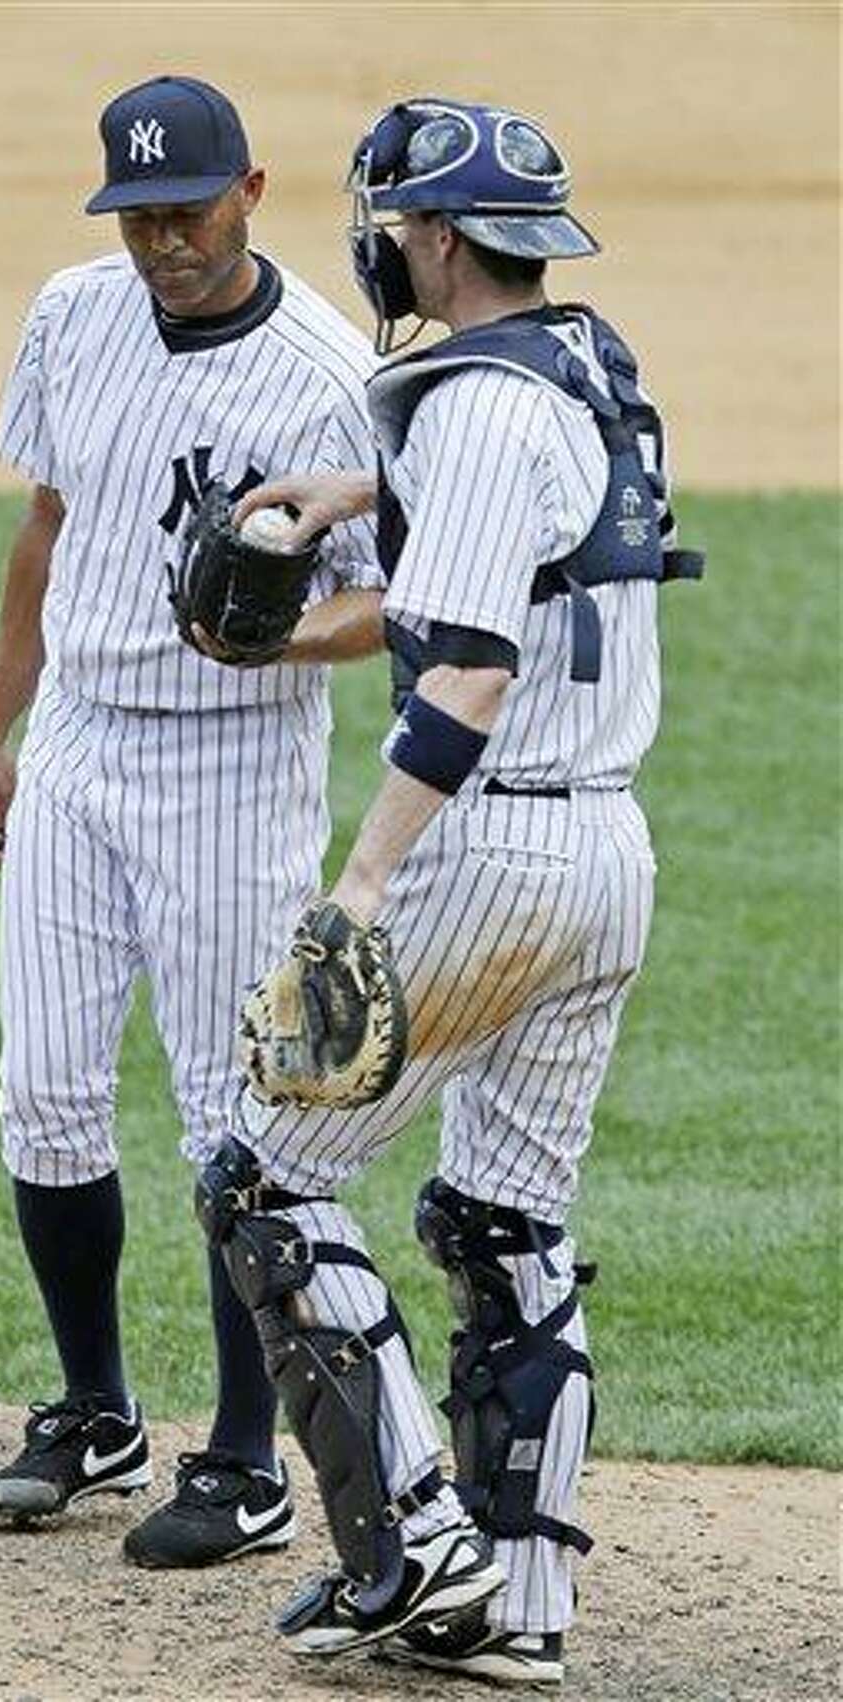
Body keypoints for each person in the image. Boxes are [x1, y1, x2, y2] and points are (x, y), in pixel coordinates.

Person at [199, 97, 703, 1676]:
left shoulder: (476, 415)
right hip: (608, 853)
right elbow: (531, 543)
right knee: (505, 1220)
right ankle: (522, 1612)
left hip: (487, 856)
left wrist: (360, 881)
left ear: (428, 235)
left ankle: (414, 1550)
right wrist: (359, 495)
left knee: (266, 1183)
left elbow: (469, 670)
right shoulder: (580, 373)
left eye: (389, 221)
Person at [0, 74, 386, 1571]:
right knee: (48, 1089)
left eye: (188, 213)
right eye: (137, 218)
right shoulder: (73, 313)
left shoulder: (337, 374)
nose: (163, 244)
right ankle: (93, 1407)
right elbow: (48, 524)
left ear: (253, 191)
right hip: (78, 745)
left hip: (231, 768)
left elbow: (400, 596)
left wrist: (284, 640)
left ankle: (246, 1456)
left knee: (234, 1116)